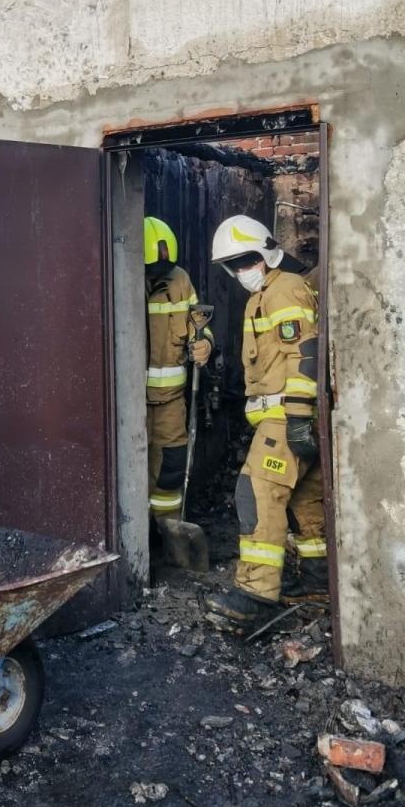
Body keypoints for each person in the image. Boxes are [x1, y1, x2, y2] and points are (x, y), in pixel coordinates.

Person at [204, 215, 325, 634]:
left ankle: (255, 594)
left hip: (285, 416)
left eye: (245, 260)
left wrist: (295, 418)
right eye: (233, 265)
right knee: (305, 503)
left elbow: (305, 355)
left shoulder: (284, 289)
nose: (241, 271)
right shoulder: (268, 293)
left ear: (266, 252)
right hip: (290, 416)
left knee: (255, 495)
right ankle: (318, 581)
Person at [144, 216, 212, 522]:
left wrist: (206, 344)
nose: (163, 272)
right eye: (156, 268)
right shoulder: (118, 276)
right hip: (131, 403)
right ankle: (137, 535)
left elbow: (198, 323)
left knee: (171, 467)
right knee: (133, 466)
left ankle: (168, 533)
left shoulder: (181, 280)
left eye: (166, 266)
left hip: (171, 400)